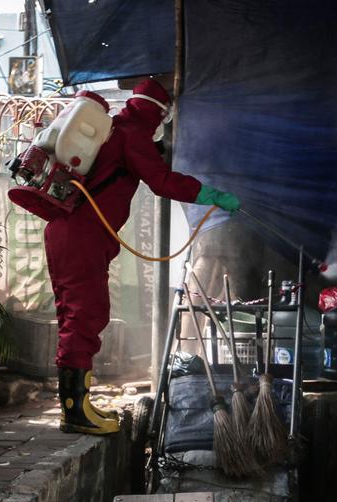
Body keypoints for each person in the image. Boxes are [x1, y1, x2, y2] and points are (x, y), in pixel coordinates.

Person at [45, 79, 239, 435]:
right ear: (160, 112)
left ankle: (77, 406)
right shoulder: (133, 134)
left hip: (64, 229)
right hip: (83, 234)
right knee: (86, 315)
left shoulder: (114, 128)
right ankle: (75, 413)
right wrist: (209, 193)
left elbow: (132, 161)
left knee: (74, 314)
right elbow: (161, 181)